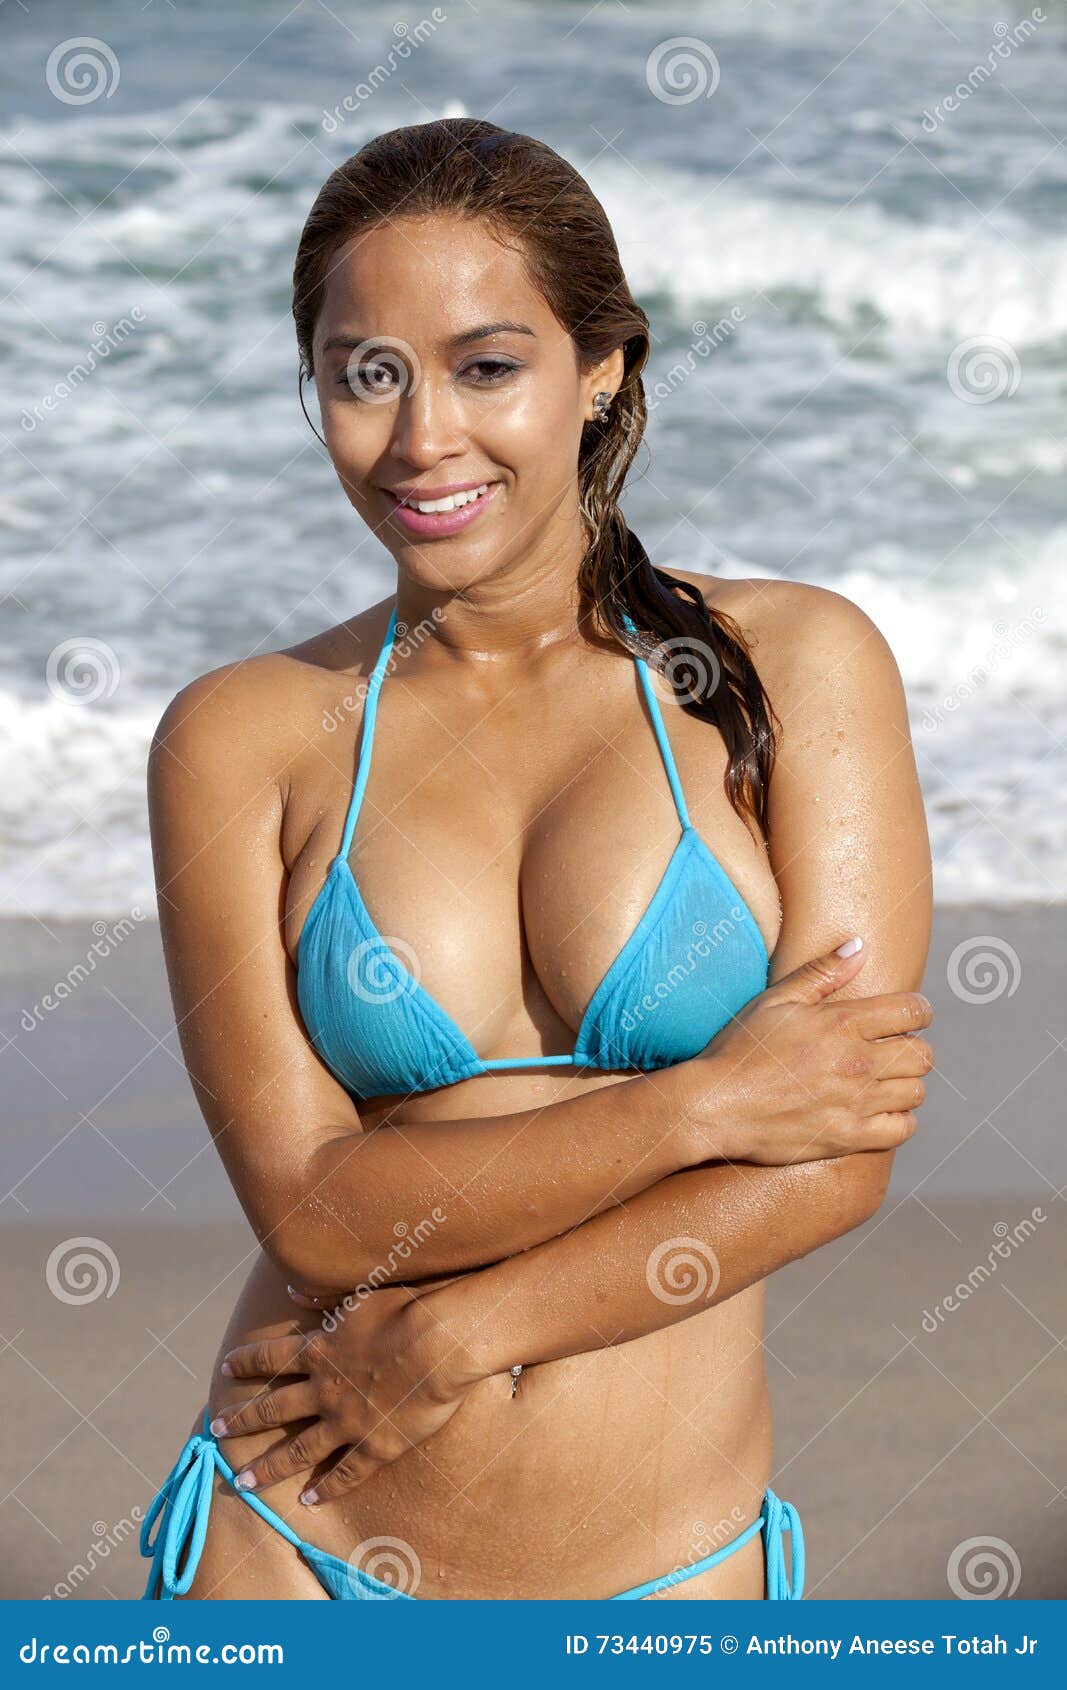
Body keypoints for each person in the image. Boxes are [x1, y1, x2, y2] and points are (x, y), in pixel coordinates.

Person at [140, 118, 933, 1602]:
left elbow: (837, 1151)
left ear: (604, 369)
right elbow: (314, 1211)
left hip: (662, 1581)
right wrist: (700, 1102)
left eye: (488, 366)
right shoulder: (242, 737)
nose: (422, 434)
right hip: (289, 1557)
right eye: (363, 373)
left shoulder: (795, 669)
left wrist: (452, 1333)